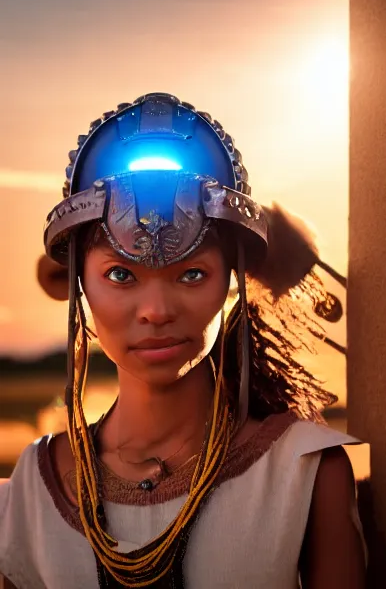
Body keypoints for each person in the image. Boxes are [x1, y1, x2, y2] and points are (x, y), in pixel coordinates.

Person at [0, 92, 367, 588]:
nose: (156, 311)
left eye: (192, 274)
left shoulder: (306, 470)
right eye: (120, 275)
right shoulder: (31, 487)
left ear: (233, 279)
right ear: (80, 284)